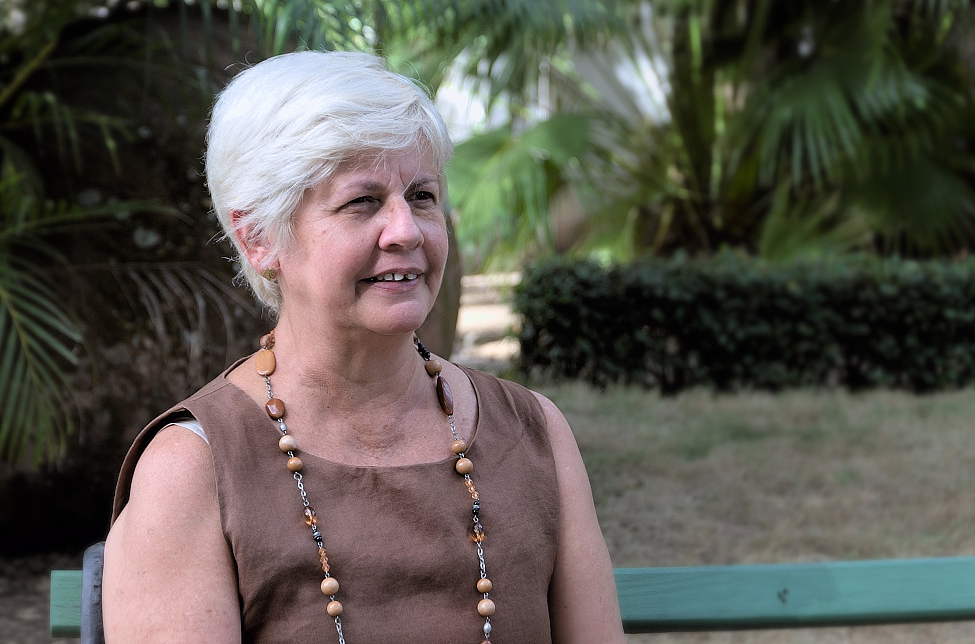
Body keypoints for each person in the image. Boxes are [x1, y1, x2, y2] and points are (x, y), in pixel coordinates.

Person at [101, 50, 625, 643]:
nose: (406, 230)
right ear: (259, 239)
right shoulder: (190, 470)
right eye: (362, 202)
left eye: (422, 196)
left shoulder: (533, 433)